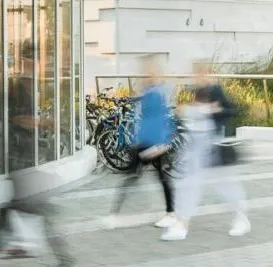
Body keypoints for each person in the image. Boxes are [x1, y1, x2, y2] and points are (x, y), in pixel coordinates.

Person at [0, 42, 72, 267]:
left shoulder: (28, 85)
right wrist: (44, 123)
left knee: (20, 208)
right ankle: (61, 257)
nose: (35, 63)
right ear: (26, 61)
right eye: (31, 58)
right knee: (33, 206)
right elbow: (17, 117)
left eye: (35, 58)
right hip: (18, 156)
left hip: (24, 155)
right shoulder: (19, 86)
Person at [164, 61, 250, 241]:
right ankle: (182, 223)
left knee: (226, 186)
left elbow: (231, 110)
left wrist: (214, 110)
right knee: (190, 185)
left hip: (215, 147)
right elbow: (196, 117)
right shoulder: (199, 91)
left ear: (209, 73)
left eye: (201, 73)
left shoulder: (215, 90)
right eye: (196, 73)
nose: (198, 76)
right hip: (199, 149)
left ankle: (241, 218)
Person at [106, 56, 176, 227]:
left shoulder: (156, 93)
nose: (144, 74)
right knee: (139, 176)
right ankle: (170, 213)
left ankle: (171, 214)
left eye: (148, 71)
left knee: (152, 177)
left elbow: (160, 119)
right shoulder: (150, 91)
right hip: (146, 142)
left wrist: (161, 144)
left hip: (154, 143)